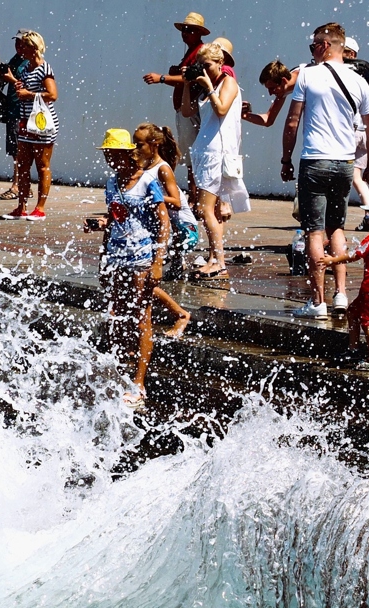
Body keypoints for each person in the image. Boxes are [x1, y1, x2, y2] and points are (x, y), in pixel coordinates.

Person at [282, 22, 369, 318]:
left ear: (324, 46)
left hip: (314, 160)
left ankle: (317, 301)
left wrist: (285, 158)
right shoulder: (360, 81)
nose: (311, 52)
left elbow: (292, 122)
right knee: (338, 227)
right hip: (345, 163)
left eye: (313, 46)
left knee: (314, 230)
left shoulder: (308, 75)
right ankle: (340, 295)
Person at [89, 129, 168, 409]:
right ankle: (120, 369)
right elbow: (114, 218)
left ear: (127, 153)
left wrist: (157, 262)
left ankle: (139, 383)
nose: (109, 159)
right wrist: (101, 236)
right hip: (116, 256)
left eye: (113, 153)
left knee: (141, 316)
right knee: (116, 314)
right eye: (107, 154)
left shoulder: (147, 181)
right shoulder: (112, 183)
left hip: (141, 257)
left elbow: (163, 223)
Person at [182, 39, 249, 280]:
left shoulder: (228, 82)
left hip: (217, 152)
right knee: (213, 211)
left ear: (220, 63)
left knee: (204, 208)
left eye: (208, 65)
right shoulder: (205, 85)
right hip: (204, 150)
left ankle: (219, 261)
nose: (204, 70)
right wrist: (189, 84)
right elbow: (187, 112)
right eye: (200, 66)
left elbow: (221, 110)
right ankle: (214, 258)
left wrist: (209, 85)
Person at [318, 196, 369, 370]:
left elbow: (354, 255)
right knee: (353, 312)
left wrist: (332, 260)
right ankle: (353, 349)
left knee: (367, 322)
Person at [134, 122, 193, 336]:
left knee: (142, 278)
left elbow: (175, 202)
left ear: (154, 144)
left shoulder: (163, 168)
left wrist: (147, 197)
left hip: (182, 229)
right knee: (137, 278)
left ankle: (181, 314)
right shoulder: (146, 167)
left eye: (139, 144)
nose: (135, 149)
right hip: (160, 228)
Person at [142, 12, 210, 194]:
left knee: (192, 157)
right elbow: (185, 77)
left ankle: (196, 197)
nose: (185, 33)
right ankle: (195, 196)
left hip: (190, 111)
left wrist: (162, 78)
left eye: (190, 30)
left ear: (199, 33)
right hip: (185, 110)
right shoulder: (191, 51)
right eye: (184, 29)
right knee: (191, 157)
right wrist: (173, 74)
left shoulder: (200, 52)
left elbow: (192, 78)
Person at [0, 30, 58, 220]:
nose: (20, 49)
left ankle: (40, 208)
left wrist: (29, 95)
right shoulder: (25, 69)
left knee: (42, 166)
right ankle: (21, 207)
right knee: (23, 165)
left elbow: (52, 95)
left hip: (42, 125)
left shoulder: (44, 68)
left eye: (24, 45)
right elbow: (23, 90)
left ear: (33, 47)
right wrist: (14, 82)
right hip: (25, 122)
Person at [343, 36, 369, 213]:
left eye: (342, 51)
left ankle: (334, 218)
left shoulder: (346, 74)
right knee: (356, 178)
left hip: (351, 132)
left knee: (341, 176)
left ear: (351, 53)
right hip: (363, 133)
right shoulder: (364, 77)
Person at [0, 34, 30, 200]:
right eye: (16, 43)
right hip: (13, 110)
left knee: (20, 151)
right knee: (16, 150)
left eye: (21, 43)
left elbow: (29, 87)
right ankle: (24, 185)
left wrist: (11, 79)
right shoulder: (15, 59)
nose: (18, 46)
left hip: (22, 111)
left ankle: (17, 186)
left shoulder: (30, 62)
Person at [242, 60, 299, 127]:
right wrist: (244, 115)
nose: (270, 93)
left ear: (284, 81)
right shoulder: (283, 90)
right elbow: (268, 120)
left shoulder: (307, 77)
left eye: (272, 88)